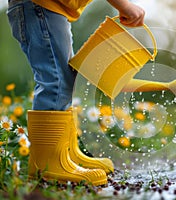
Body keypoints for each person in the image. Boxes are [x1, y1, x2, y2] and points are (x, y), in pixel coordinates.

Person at [7, 0, 145, 186]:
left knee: (64, 80)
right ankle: (48, 164)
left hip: (49, 7)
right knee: (56, 82)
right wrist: (123, 5)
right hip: (42, 6)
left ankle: (66, 154)